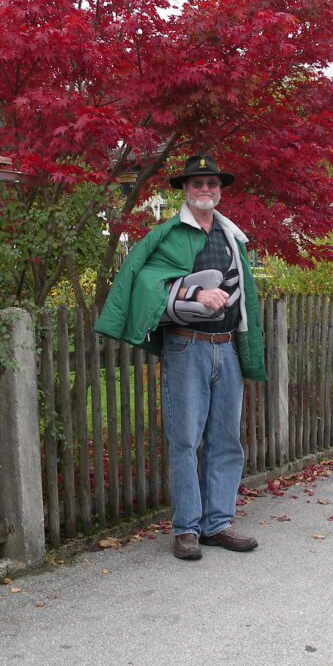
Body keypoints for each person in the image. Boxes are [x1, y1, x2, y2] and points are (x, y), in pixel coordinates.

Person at [95, 153, 268, 560]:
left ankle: (218, 523)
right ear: (185, 191)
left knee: (226, 440)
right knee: (185, 439)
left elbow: (245, 296)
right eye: (197, 184)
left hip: (227, 347)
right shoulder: (168, 236)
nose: (205, 189)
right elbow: (148, 282)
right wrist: (194, 294)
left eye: (212, 184)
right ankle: (187, 528)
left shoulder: (230, 236)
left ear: (220, 191)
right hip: (186, 346)